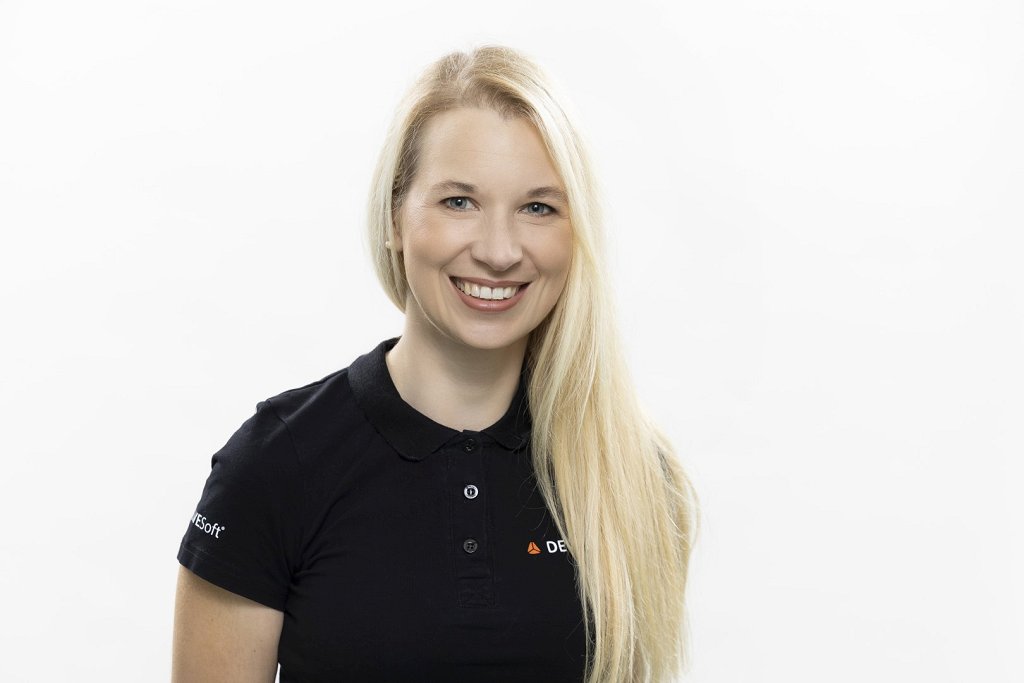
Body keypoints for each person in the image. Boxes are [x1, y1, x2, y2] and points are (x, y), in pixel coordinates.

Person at [172, 44, 699, 683]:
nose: (500, 252)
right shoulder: (276, 466)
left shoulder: (633, 476)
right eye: (459, 202)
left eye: (538, 207)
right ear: (395, 218)